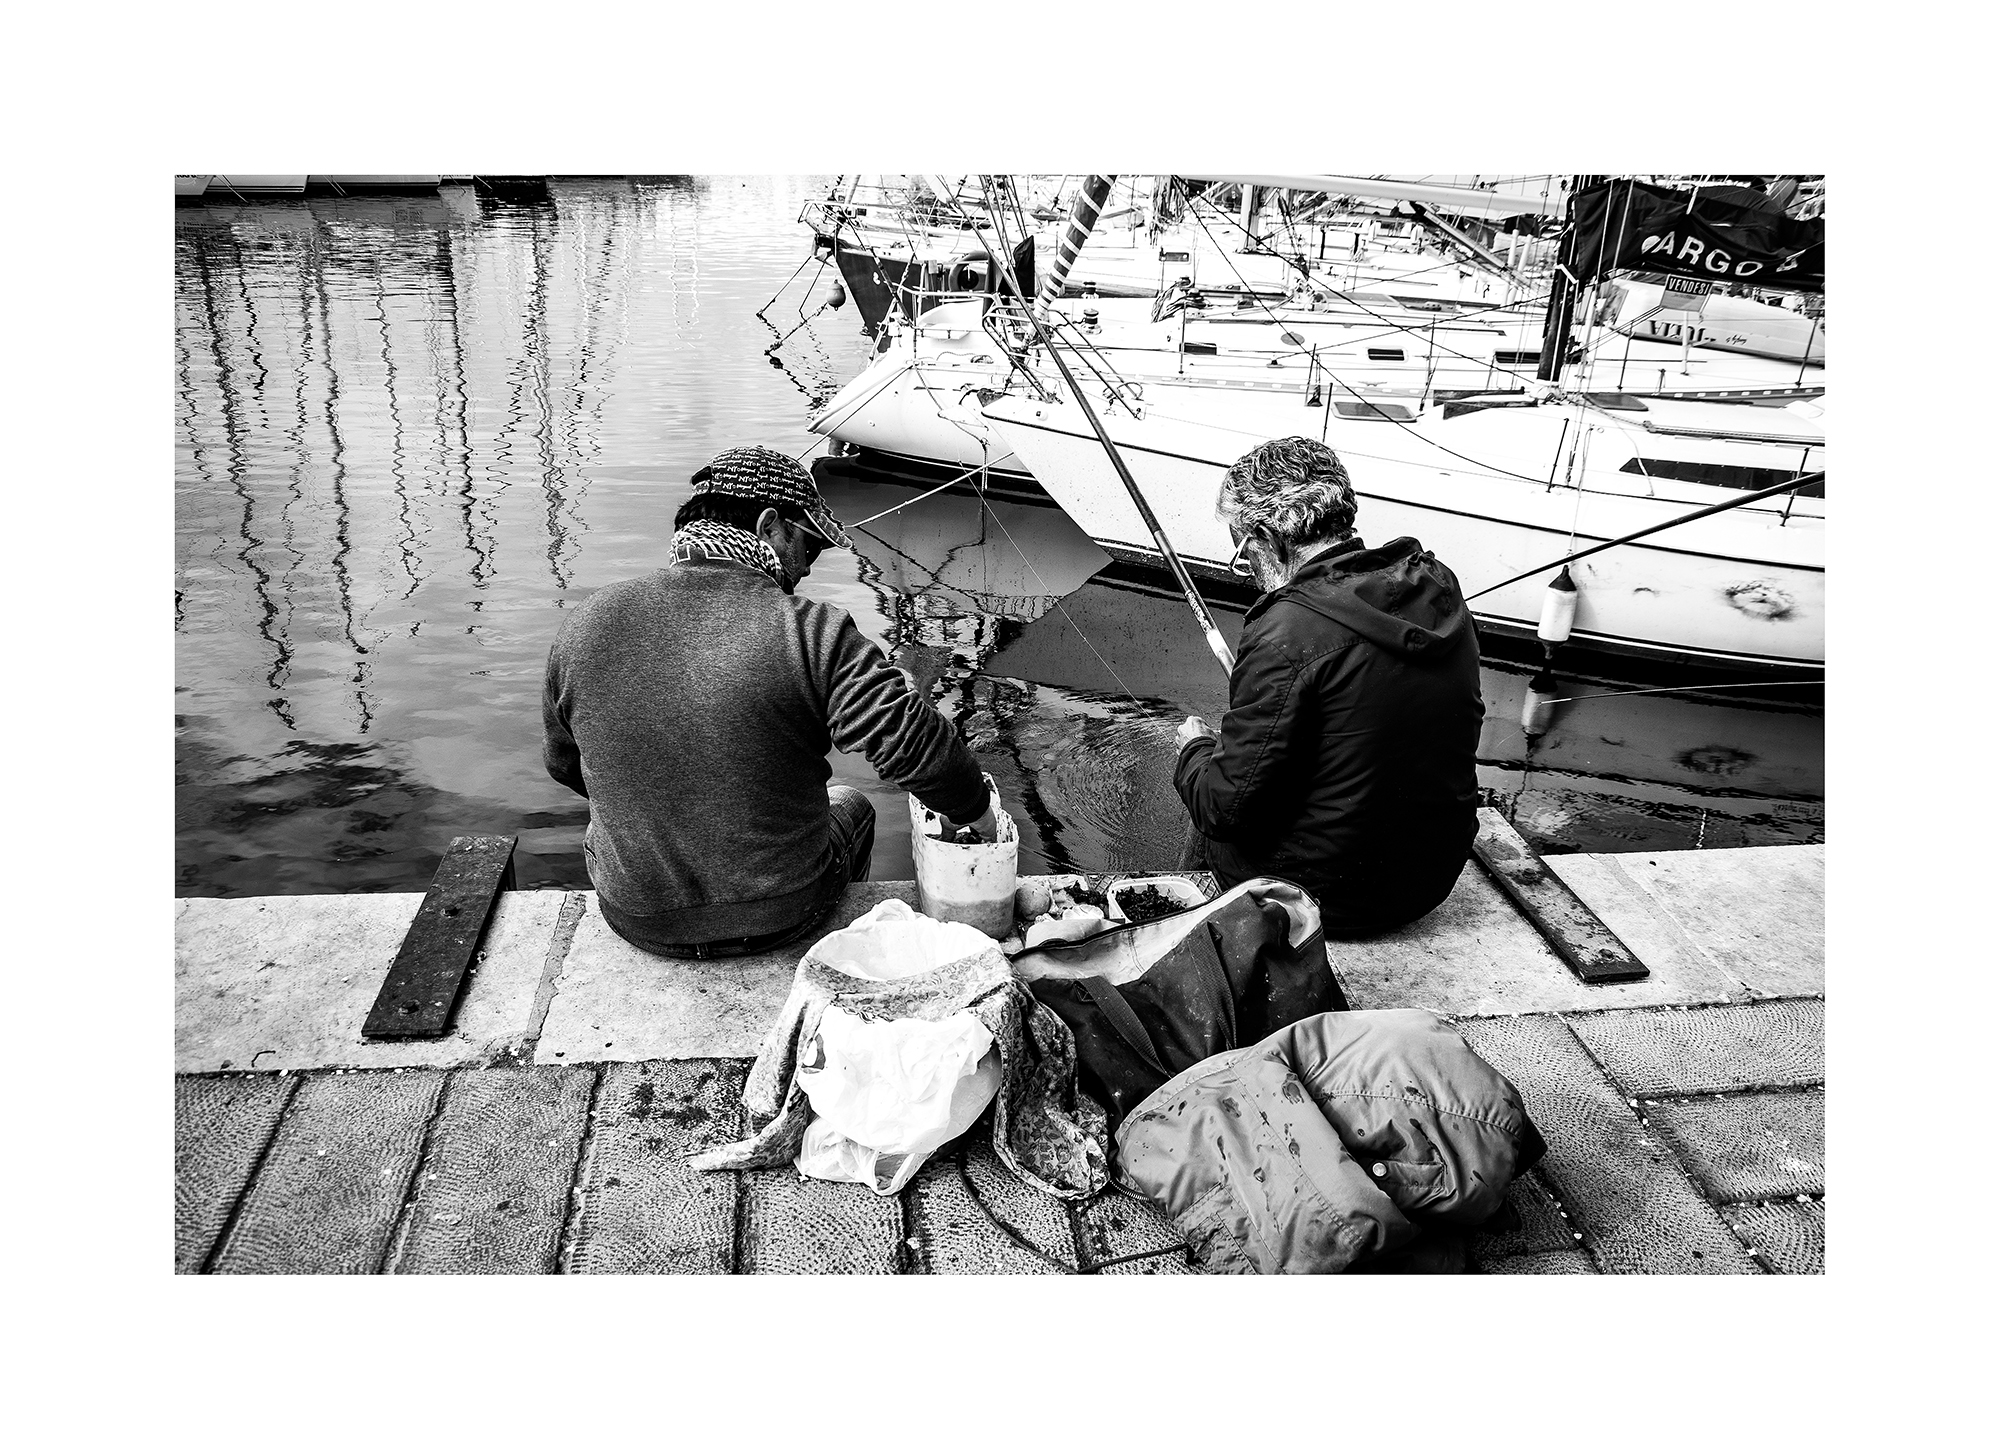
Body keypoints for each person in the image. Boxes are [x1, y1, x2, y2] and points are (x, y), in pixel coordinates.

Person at [542, 445, 996, 959]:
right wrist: (979, 816)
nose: (805, 569)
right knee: (853, 805)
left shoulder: (585, 623)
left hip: (638, 916)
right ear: (769, 526)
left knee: (616, 814)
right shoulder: (810, 629)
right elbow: (912, 742)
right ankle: (835, 935)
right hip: (784, 913)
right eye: (809, 546)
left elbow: (566, 766)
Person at [1173, 436, 1483, 938]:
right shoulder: (1436, 586)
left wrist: (1195, 749)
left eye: (1242, 547)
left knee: (1205, 795)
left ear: (1268, 537)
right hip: (1429, 877)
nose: (1246, 563)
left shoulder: (1287, 630)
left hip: (1329, 899)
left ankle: (1202, 937)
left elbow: (1223, 809)